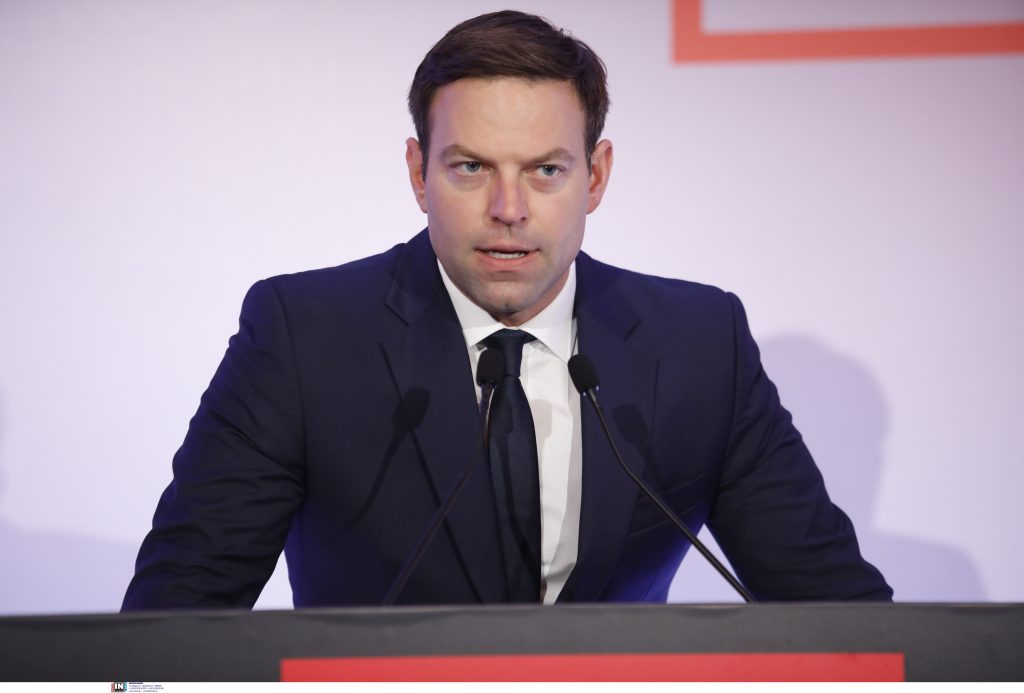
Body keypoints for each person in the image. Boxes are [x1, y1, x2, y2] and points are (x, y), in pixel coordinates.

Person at [122, 10, 891, 610]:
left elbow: (841, 617)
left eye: (546, 170)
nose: (509, 209)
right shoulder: (302, 337)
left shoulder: (699, 344)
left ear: (596, 176)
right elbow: (176, 619)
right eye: (470, 167)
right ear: (419, 172)